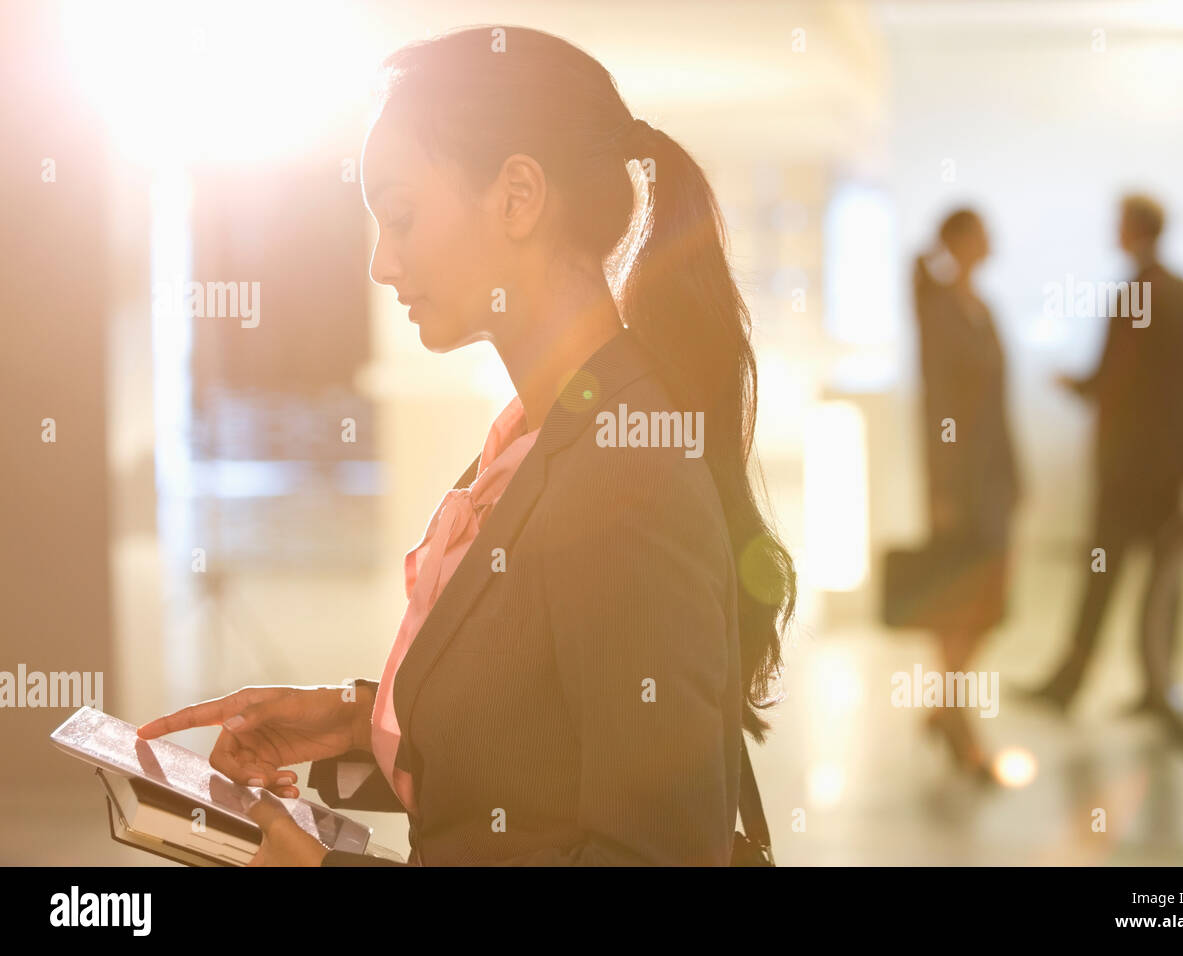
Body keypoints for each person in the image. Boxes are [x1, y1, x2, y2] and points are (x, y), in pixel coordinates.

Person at [137, 25, 795, 866]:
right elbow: (539, 767)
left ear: (519, 197)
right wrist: (359, 723)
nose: (381, 262)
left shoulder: (625, 474)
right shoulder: (540, 436)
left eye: (401, 216)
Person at [1025, 194, 1183, 714]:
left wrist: (1076, 385)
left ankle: (1071, 683)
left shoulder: (1137, 294)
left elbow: (1112, 380)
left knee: (1102, 573)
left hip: (1129, 467)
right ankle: (1160, 684)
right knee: (1166, 576)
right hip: (1171, 466)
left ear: (1133, 230)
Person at [911, 209, 1021, 779]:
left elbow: (1001, 402)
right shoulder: (939, 312)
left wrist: (1015, 474)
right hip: (962, 479)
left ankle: (945, 705)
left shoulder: (984, 310)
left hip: (995, 476)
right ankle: (957, 714)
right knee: (963, 598)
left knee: (989, 602)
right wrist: (943, 487)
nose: (990, 240)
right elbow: (937, 406)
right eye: (980, 232)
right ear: (957, 243)